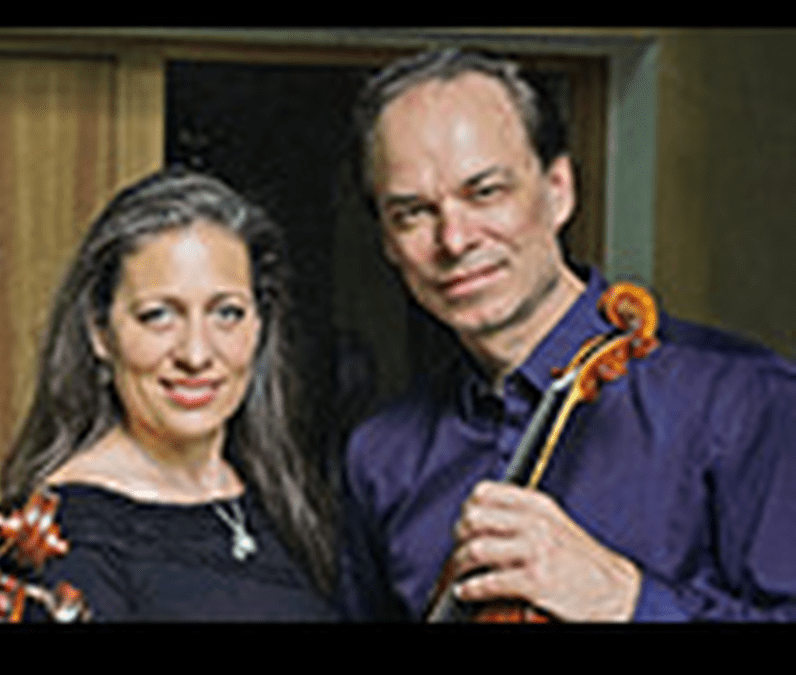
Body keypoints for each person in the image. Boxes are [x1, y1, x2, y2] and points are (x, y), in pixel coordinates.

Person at [339, 49, 796, 621]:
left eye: (485, 192)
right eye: (412, 213)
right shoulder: (381, 455)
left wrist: (625, 599)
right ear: (388, 242)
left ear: (559, 189)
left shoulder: (743, 400)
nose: (454, 240)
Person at [0, 168, 338, 621]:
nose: (196, 354)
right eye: (158, 315)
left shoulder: (274, 495)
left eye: (227, 313)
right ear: (100, 332)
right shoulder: (69, 539)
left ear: (259, 324)